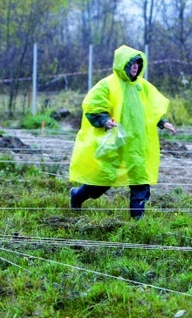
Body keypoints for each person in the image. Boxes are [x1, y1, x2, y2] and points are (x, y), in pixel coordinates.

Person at [68, 45, 177, 219]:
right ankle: (77, 196)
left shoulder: (143, 87)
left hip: (137, 144)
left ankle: (137, 221)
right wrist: (105, 120)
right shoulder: (106, 85)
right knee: (102, 180)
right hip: (115, 143)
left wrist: (163, 123)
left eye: (138, 64)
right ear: (123, 63)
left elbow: (150, 110)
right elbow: (93, 107)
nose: (135, 67)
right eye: (132, 63)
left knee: (140, 179)